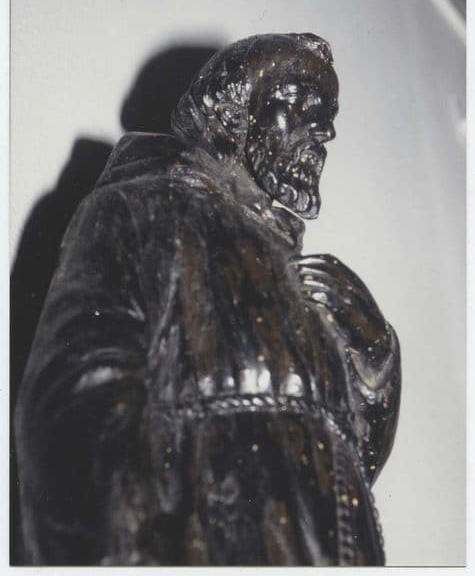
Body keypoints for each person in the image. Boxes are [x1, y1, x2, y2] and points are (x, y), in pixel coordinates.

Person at [15, 33, 401, 565]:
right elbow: (72, 407)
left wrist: (377, 362)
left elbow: (340, 474)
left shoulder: (301, 281)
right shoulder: (142, 210)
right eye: (301, 104)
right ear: (233, 112)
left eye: (327, 115)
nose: (325, 131)